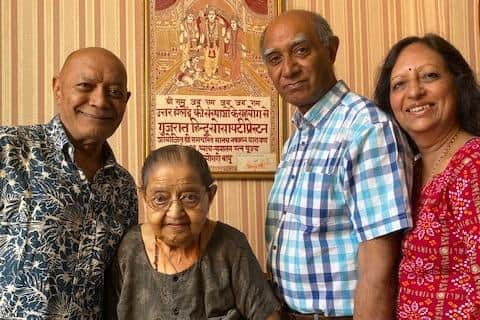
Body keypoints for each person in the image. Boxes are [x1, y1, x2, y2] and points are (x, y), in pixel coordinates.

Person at [261, 10, 412, 319]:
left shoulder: (365, 129)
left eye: (301, 51)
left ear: (330, 50)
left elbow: (378, 271)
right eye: (274, 59)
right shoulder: (299, 137)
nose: (288, 69)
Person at [0, 47, 138, 318]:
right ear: (58, 88)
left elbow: (119, 284)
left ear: (126, 101)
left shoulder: (123, 186)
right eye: (85, 86)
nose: (100, 101)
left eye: (114, 92)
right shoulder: (9, 149)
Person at [104, 144, 281, 319]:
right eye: (160, 199)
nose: (175, 212)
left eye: (190, 197)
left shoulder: (231, 245)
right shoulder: (129, 248)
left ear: (210, 196)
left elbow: (268, 315)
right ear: (144, 198)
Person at [374, 33, 480, 319]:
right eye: (399, 84)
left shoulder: (472, 165)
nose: (415, 92)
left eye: (429, 76)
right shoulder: (410, 168)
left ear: (458, 85)